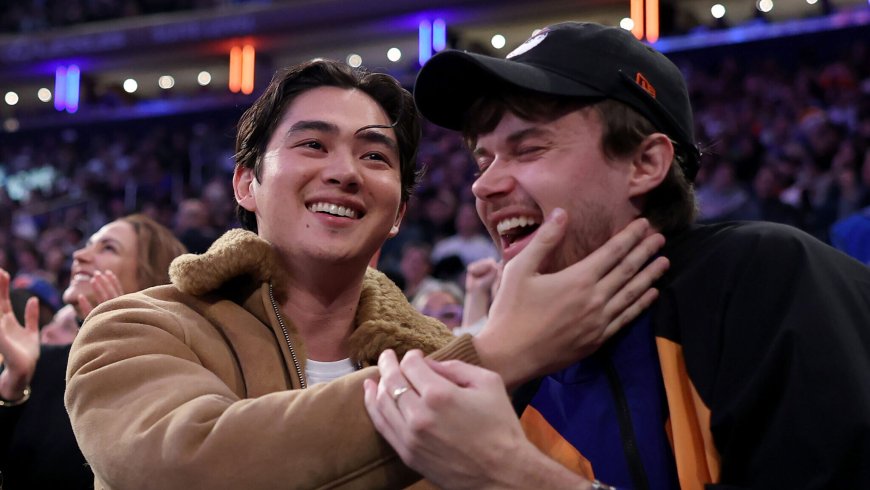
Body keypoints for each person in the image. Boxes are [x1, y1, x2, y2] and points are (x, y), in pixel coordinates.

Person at [65, 58, 670, 489]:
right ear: (246, 183)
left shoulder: (439, 354)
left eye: (375, 155)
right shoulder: (138, 328)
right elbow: (188, 465)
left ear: (399, 213)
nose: (345, 172)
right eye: (312, 145)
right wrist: (488, 357)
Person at [364, 22, 870, 489]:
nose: (486, 185)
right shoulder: (510, 363)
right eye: (484, 159)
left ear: (646, 163)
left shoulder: (766, 280)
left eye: (529, 149)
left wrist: (514, 474)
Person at [0, 214, 186, 489]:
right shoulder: (40, 362)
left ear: (148, 275)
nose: (79, 255)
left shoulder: (176, 370)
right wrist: (11, 387)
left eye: (108, 248)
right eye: (88, 244)